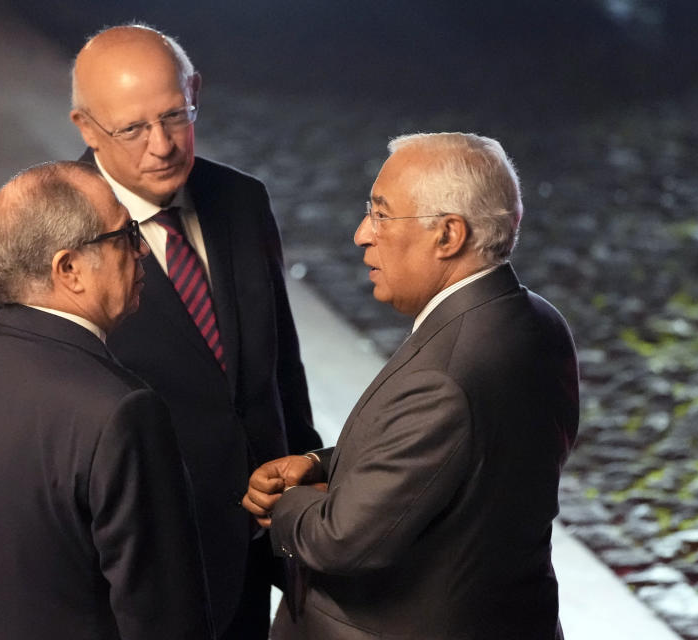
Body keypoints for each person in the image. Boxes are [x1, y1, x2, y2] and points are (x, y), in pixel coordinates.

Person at [243, 133, 579, 639]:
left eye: (381, 215)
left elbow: (341, 539)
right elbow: (454, 449)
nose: (361, 234)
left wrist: (285, 504)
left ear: (448, 236)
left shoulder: (443, 374)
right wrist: (320, 464)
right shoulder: (537, 320)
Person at [68, 24, 322, 639]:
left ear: (195, 91)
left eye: (175, 116)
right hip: (141, 567)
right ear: (85, 127)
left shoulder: (241, 200)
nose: (162, 146)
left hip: (261, 540)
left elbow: (281, 369)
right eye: (132, 129)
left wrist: (312, 480)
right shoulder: (53, 230)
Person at [0, 161, 212, 640]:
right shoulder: (121, 410)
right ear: (69, 269)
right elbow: (163, 618)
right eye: (126, 235)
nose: (141, 252)